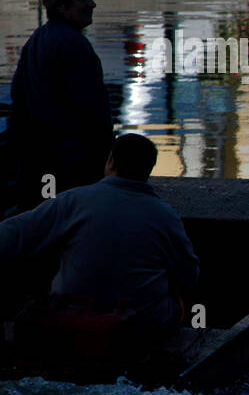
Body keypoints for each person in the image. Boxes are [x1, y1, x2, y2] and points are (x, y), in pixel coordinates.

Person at [0, 133, 199, 352]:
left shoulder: (73, 200)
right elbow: (189, 277)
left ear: (111, 161)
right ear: (148, 171)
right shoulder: (166, 215)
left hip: (72, 316)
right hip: (138, 325)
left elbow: (13, 235)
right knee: (177, 304)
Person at [7, 0, 114, 210]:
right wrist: (107, 159)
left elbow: (19, 99)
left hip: (39, 161)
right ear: (62, 6)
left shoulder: (37, 40)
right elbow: (94, 111)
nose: (92, 4)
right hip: (71, 163)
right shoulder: (75, 45)